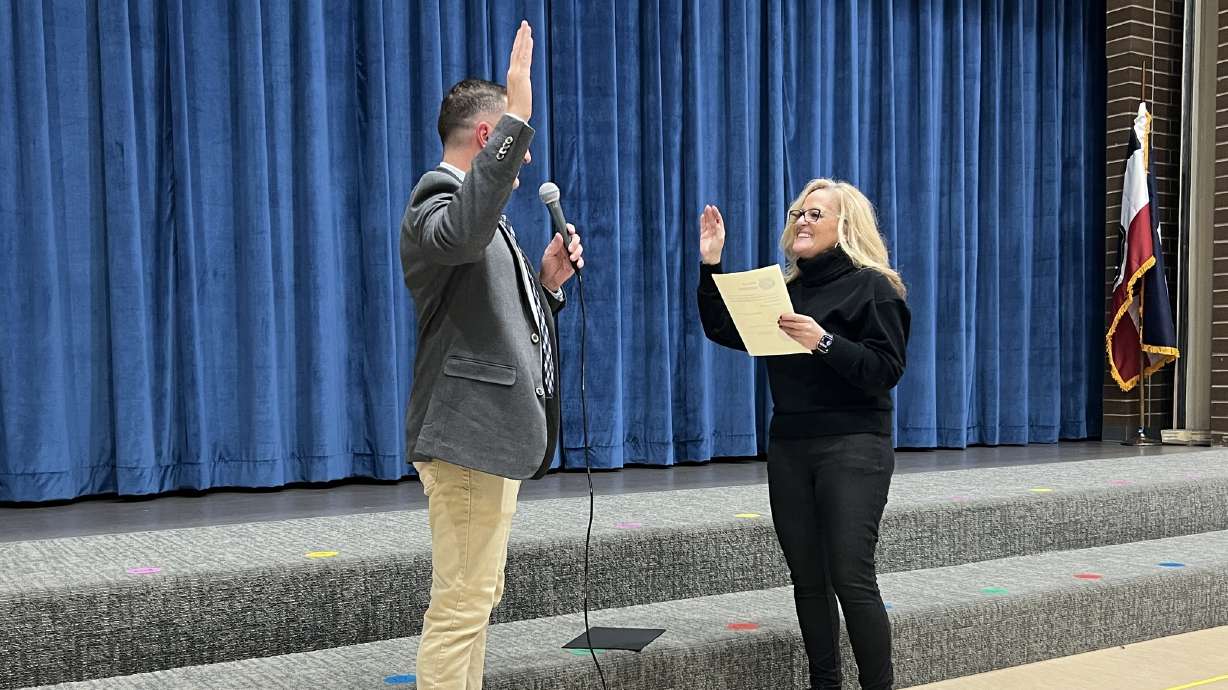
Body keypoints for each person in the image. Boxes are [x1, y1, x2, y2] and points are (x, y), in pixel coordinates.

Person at [400, 21, 584, 690]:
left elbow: (498, 318)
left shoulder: (481, 218)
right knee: (461, 607)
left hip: (490, 441)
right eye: (512, 144)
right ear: (488, 138)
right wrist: (519, 116)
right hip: (466, 440)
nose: (523, 160)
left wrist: (547, 286)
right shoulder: (434, 201)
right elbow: (461, 231)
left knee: (476, 601)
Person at [696, 179, 909, 690]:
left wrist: (824, 341)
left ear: (845, 226)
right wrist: (711, 265)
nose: (802, 221)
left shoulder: (874, 286)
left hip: (854, 444)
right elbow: (724, 329)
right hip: (791, 445)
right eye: (798, 213)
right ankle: (824, 684)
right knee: (808, 580)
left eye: (816, 213)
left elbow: (886, 368)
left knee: (850, 577)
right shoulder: (784, 291)